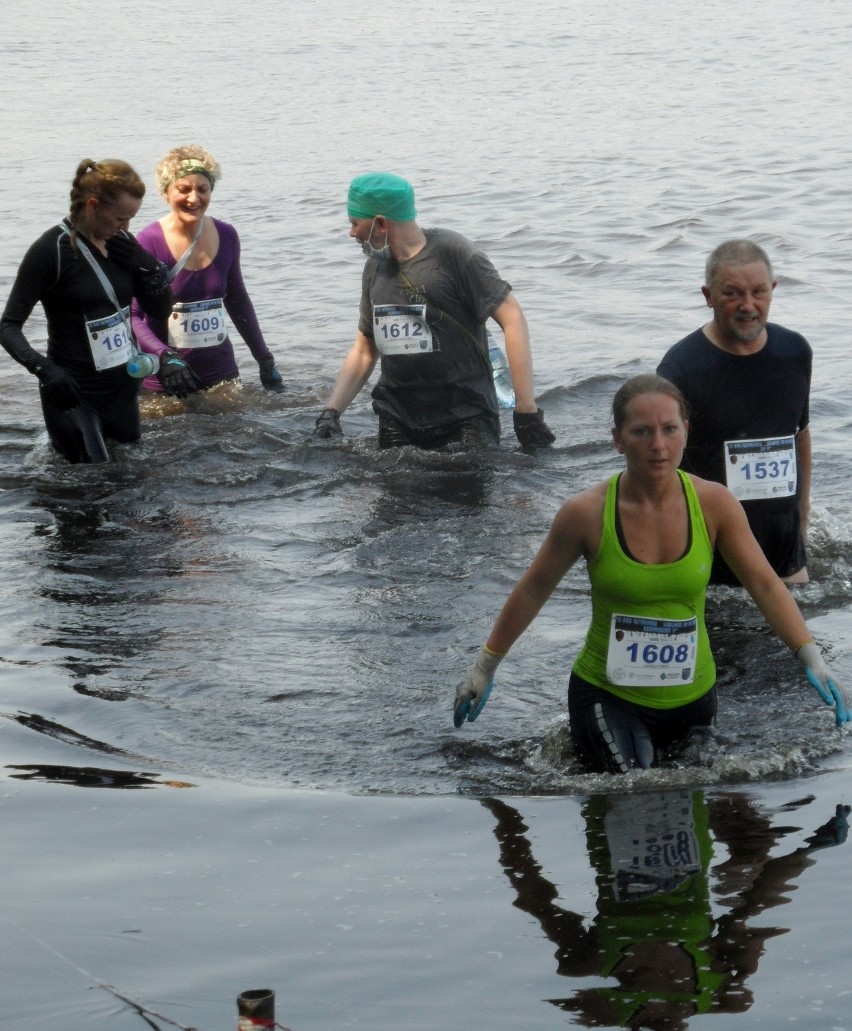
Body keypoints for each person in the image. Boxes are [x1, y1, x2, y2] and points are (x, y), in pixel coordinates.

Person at [453, 374, 848, 773]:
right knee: (631, 795)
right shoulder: (585, 513)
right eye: (641, 432)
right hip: (608, 696)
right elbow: (533, 589)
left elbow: (764, 584)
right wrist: (484, 667)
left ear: (686, 432)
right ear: (617, 439)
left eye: (669, 429)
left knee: (689, 816)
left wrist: (811, 656)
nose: (658, 446)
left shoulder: (715, 504)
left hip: (694, 697)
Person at [313, 172, 555, 451]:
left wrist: (526, 412)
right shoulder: (374, 269)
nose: (351, 233)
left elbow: (513, 319)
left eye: (355, 223)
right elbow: (365, 349)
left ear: (380, 224)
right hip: (397, 418)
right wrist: (331, 413)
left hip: (466, 418)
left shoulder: (455, 254)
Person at [657, 240, 812, 585]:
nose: (748, 306)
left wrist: (804, 515)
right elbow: (660, 460)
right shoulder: (680, 368)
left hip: (785, 554)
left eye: (758, 292)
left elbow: (800, 433)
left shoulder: (795, 352)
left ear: (772, 290)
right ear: (708, 295)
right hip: (713, 555)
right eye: (732, 294)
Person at [0, 158, 174, 464]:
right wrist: (44, 369)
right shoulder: (50, 250)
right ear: (93, 205)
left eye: (130, 219)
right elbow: (8, 326)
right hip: (73, 392)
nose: (125, 227)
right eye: (120, 218)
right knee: (93, 486)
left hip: (121, 390)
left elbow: (159, 310)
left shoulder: (122, 244)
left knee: (133, 490)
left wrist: (145, 263)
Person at [130, 145, 284, 399]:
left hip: (221, 376)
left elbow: (238, 301)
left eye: (202, 189)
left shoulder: (227, 235)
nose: (194, 199)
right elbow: (133, 315)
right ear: (166, 192)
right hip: (166, 379)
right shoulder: (148, 241)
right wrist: (165, 356)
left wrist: (264, 359)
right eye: (183, 189)